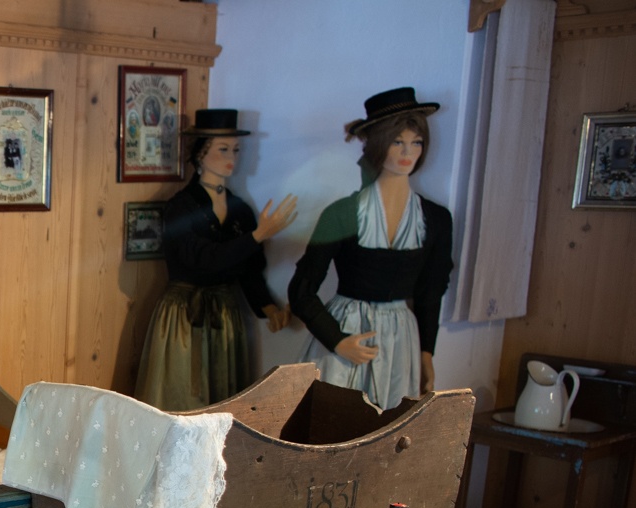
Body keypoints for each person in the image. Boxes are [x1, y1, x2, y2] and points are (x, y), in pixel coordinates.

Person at [288, 87, 454, 410]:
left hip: (401, 341)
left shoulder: (436, 219)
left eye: (415, 142)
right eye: (397, 142)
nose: (408, 152)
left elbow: (431, 291)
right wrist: (336, 339)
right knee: (331, 426)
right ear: (378, 145)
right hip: (346, 337)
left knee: (387, 434)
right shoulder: (342, 213)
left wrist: (426, 353)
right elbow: (301, 289)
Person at [134, 109, 299, 411]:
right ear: (200, 153)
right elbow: (203, 259)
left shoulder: (240, 210)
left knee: (223, 400)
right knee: (183, 395)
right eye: (223, 149)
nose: (231, 158)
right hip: (185, 314)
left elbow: (250, 269)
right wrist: (258, 235)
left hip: (226, 314)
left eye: (236, 150)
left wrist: (268, 307)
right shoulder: (181, 207)